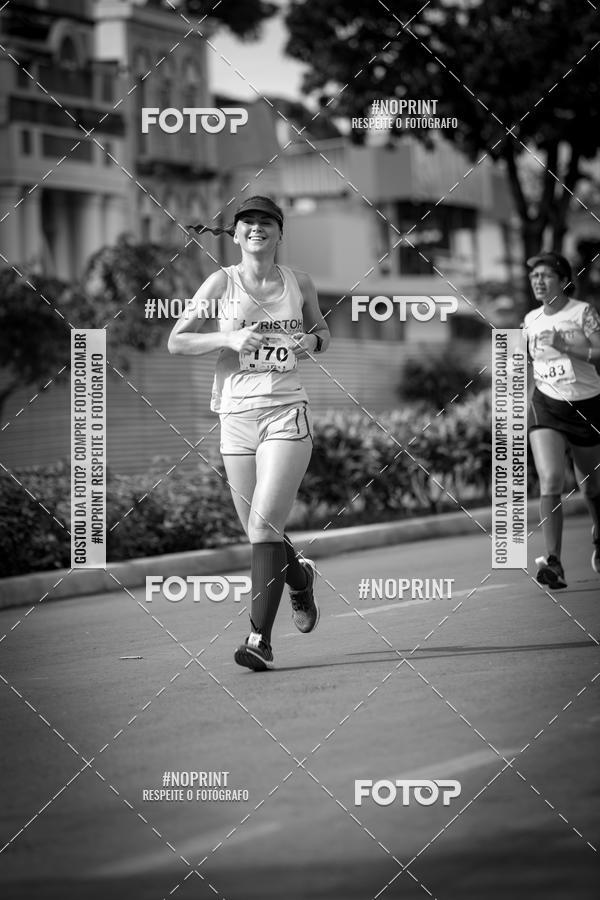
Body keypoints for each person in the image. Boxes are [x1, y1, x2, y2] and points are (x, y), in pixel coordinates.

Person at [168, 196, 330, 670]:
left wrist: (310, 341)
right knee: (259, 531)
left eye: (266, 222)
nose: (256, 229)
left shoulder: (299, 282)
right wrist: (228, 337)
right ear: (236, 235)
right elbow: (176, 340)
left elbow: (324, 332)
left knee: (263, 527)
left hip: (286, 412)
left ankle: (259, 638)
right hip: (235, 416)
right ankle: (299, 577)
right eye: (247, 224)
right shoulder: (221, 281)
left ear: (279, 233)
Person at [523, 251, 600, 589]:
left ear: (564, 280)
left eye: (546, 275)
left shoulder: (582, 312)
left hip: (587, 406)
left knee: (592, 486)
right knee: (551, 479)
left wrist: (566, 348)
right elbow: (532, 365)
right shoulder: (530, 319)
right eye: (534, 276)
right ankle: (553, 562)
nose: (538, 281)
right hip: (546, 407)